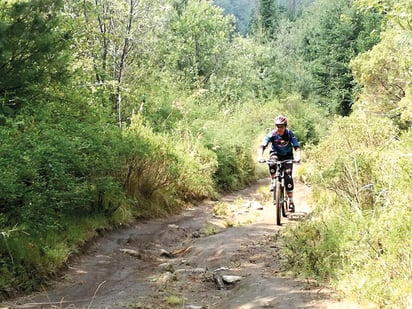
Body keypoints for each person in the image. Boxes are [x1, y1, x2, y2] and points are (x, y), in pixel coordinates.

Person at [257, 114, 301, 211]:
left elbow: (297, 147)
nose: (279, 128)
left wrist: (298, 157)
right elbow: (262, 146)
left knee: (288, 177)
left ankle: (291, 201)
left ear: (285, 126)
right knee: (272, 163)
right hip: (275, 154)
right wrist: (260, 156)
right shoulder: (272, 134)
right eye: (277, 126)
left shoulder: (290, 134)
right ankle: (273, 181)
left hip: (287, 156)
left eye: (281, 126)